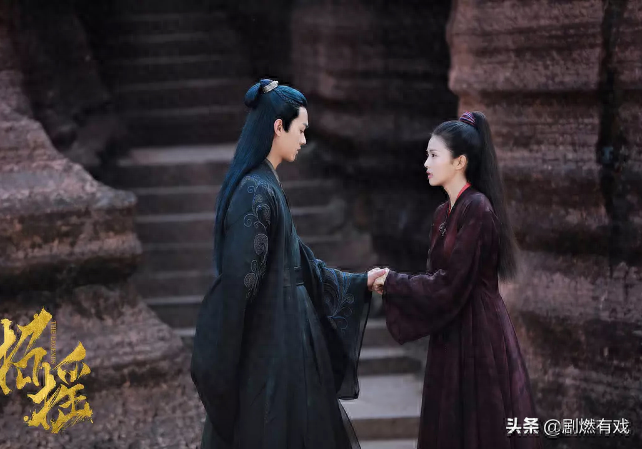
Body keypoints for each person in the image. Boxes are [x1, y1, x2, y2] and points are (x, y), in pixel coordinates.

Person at [190, 79, 386, 449]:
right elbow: (241, 284)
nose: (304, 140)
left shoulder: (265, 187)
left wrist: (359, 282)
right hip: (273, 342)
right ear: (279, 127)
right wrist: (229, 357)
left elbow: (300, 262)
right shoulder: (255, 191)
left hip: (288, 336)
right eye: (301, 130)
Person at [373, 111, 542, 449]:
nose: (426, 163)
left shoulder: (478, 209)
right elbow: (436, 280)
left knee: (478, 425)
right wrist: (395, 283)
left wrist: (393, 282)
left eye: (434, 155)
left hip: (478, 332)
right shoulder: (443, 213)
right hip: (452, 327)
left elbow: (450, 284)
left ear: (460, 162)